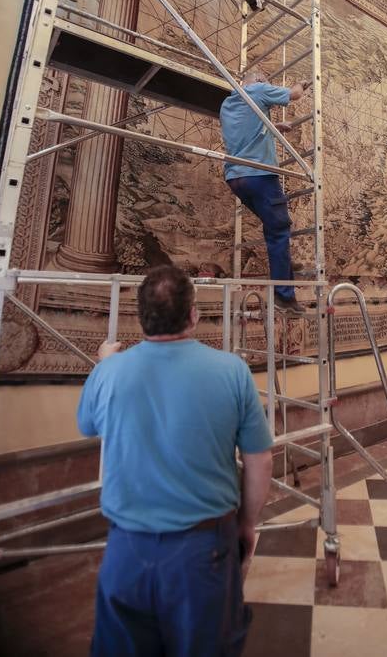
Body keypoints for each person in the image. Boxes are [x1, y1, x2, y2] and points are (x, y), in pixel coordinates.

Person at [78, 265, 273, 656]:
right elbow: (259, 460)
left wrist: (105, 363)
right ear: (193, 315)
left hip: (126, 551)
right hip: (202, 551)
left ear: (140, 317)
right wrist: (247, 523)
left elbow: (89, 425)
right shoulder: (232, 371)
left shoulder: (110, 372)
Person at [220, 69, 311, 315]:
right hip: (259, 174)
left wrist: (273, 126)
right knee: (280, 227)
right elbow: (293, 94)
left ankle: (283, 265)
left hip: (236, 178)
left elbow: (247, 132)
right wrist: (301, 84)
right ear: (259, 81)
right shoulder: (258, 89)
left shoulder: (229, 103)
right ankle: (284, 297)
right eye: (267, 83)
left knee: (274, 224)